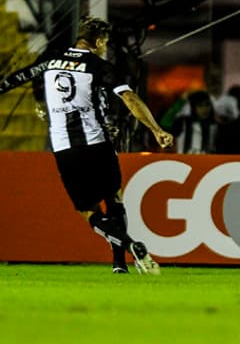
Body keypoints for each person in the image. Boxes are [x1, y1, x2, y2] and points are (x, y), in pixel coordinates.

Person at [33, 17, 173, 274]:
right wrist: (156, 129)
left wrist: (43, 109)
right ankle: (120, 261)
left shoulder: (49, 64)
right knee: (114, 197)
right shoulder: (99, 66)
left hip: (65, 148)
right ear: (97, 42)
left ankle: (127, 253)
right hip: (97, 143)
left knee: (88, 211)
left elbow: (41, 95)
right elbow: (129, 98)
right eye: (105, 43)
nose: (105, 47)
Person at [170, 90, 217, 154]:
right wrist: (180, 102)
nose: (204, 109)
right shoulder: (183, 123)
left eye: (207, 105)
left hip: (207, 162)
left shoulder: (214, 126)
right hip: (184, 162)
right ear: (192, 107)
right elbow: (165, 122)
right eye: (200, 106)